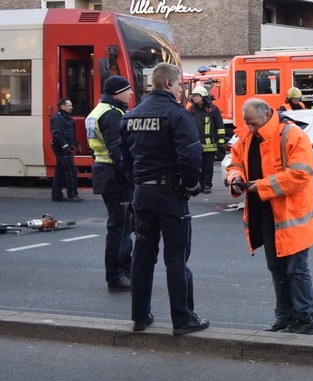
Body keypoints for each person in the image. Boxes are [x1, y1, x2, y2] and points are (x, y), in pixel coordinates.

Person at [119, 62, 208, 335]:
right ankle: (183, 320)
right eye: (180, 84)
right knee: (176, 258)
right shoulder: (176, 115)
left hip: (142, 195)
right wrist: (190, 185)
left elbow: (124, 159)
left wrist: (136, 183)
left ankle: (140, 317)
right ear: (168, 84)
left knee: (143, 257)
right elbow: (191, 157)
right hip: (169, 196)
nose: (182, 90)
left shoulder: (131, 115)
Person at [225, 99, 313, 333]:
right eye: (247, 123)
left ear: (268, 114)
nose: (251, 128)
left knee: (295, 269)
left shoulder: (291, 135)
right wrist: (235, 178)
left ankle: (304, 319)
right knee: (278, 269)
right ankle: (286, 317)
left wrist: (259, 186)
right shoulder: (247, 135)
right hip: (267, 213)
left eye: (254, 123)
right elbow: (234, 163)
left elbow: (300, 174)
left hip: (292, 214)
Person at [86, 76, 134, 292]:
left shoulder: (99, 110)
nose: (131, 93)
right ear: (117, 93)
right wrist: (130, 178)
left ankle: (124, 271)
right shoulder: (112, 114)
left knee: (122, 226)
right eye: (128, 90)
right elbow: (118, 151)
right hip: (115, 175)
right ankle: (116, 276)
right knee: (120, 228)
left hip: (104, 170)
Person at [186, 85, 226, 193]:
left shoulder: (213, 109)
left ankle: (207, 185)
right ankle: (200, 185)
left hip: (210, 144)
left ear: (203, 96)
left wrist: (221, 139)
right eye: (193, 96)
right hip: (197, 145)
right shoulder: (192, 110)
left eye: (196, 95)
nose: (194, 98)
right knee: (198, 166)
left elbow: (219, 125)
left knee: (208, 167)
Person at [50, 98, 82, 202]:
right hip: (62, 147)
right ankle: (72, 195)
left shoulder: (64, 117)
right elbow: (57, 134)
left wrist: (75, 144)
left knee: (60, 171)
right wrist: (65, 146)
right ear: (63, 106)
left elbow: (67, 133)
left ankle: (56, 195)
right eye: (69, 106)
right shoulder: (58, 118)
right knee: (71, 170)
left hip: (64, 146)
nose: (71, 107)